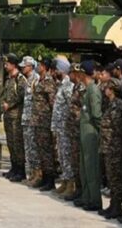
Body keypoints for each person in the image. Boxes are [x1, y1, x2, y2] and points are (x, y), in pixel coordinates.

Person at [75, 60, 102, 211]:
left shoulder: (93, 90)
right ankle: (86, 197)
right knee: (84, 167)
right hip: (85, 133)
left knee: (91, 167)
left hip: (91, 133)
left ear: (83, 74)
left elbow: (97, 115)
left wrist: (101, 132)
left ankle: (95, 200)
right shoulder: (88, 90)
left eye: (79, 73)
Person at [31, 57, 57, 191]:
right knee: (41, 150)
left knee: (47, 151)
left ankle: (50, 179)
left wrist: (52, 121)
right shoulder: (39, 80)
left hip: (45, 121)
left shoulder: (49, 81)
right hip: (37, 120)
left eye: (40, 65)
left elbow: (52, 102)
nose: (38, 66)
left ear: (45, 67)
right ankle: (44, 176)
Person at [99, 83, 122, 221]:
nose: (105, 90)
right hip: (108, 145)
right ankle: (113, 205)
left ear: (113, 90)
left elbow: (118, 127)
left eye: (107, 88)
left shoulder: (118, 105)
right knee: (111, 177)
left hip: (115, 146)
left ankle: (117, 208)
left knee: (116, 178)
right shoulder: (110, 104)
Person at [1, 53, 27, 181]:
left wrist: (9, 104)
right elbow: (4, 94)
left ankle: (21, 171)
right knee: (10, 143)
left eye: (7, 63)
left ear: (13, 64)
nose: (5, 66)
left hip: (16, 116)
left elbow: (22, 96)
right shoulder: (8, 79)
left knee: (17, 144)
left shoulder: (20, 79)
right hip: (8, 116)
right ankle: (14, 168)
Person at [52, 58, 74, 196]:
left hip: (65, 126)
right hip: (59, 127)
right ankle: (65, 181)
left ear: (62, 70)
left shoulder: (68, 85)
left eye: (56, 69)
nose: (55, 72)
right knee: (61, 154)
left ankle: (71, 183)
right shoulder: (60, 85)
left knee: (67, 155)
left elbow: (71, 106)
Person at [64, 63, 87, 202]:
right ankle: (78, 188)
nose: (69, 75)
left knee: (79, 161)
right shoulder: (75, 87)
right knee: (74, 161)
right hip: (73, 130)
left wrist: (77, 116)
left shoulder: (82, 88)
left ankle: (82, 190)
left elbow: (85, 108)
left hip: (78, 129)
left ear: (76, 73)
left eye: (71, 73)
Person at [19, 56, 40, 185]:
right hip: (26, 119)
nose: (22, 68)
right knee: (28, 148)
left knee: (33, 147)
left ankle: (37, 174)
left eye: (24, 66)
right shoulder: (27, 80)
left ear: (31, 66)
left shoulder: (36, 79)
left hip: (32, 119)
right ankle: (32, 173)